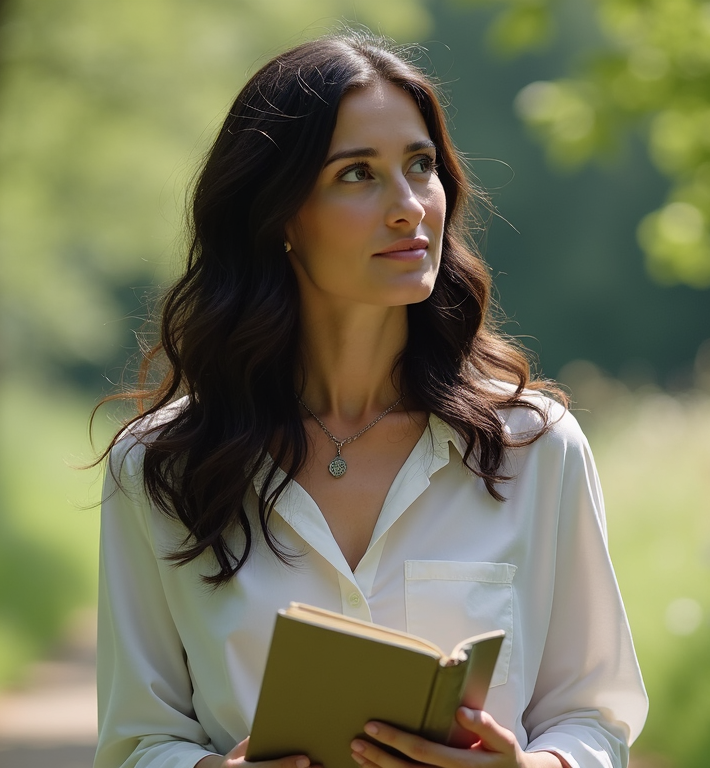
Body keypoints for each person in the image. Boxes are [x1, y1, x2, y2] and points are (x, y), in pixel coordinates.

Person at [94, 30, 647, 768]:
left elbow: (596, 718)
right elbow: (135, 740)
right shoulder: (159, 468)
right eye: (358, 173)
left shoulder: (534, 447)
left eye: (421, 166)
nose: (410, 207)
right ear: (279, 215)